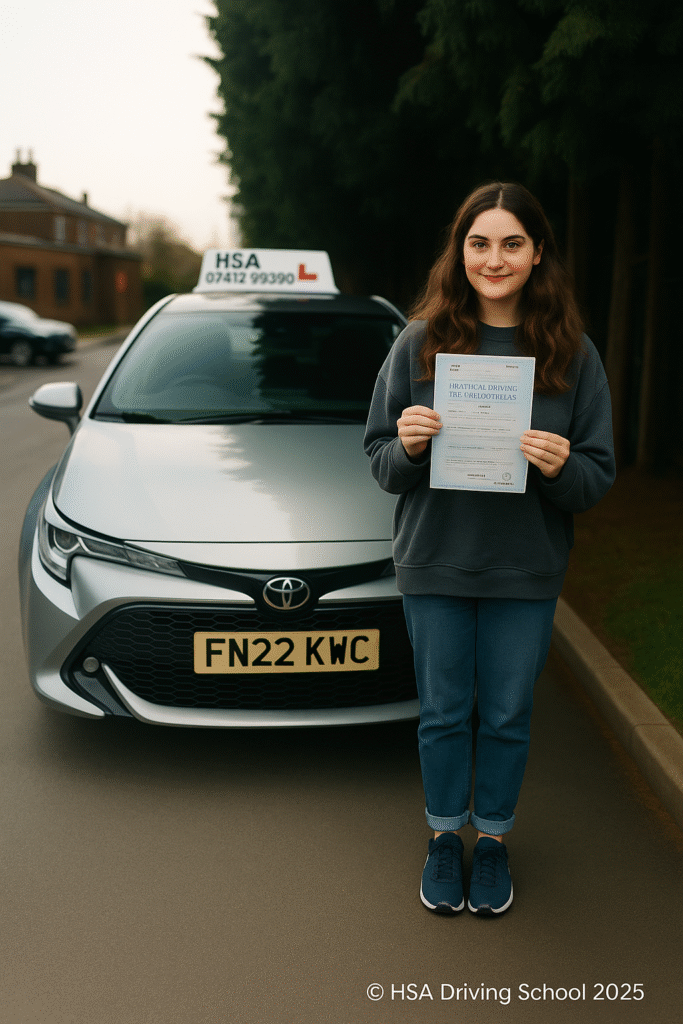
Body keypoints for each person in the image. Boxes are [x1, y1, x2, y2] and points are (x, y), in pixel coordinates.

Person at [364, 181, 615, 916]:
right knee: (443, 712)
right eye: (479, 243)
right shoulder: (418, 343)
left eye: (511, 243)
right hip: (435, 560)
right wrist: (407, 447)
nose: (493, 258)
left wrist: (561, 466)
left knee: (505, 714)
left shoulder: (571, 354)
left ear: (537, 254)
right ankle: (445, 839)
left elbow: (596, 475)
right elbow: (379, 459)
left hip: (523, 568)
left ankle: (494, 841)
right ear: (460, 251)